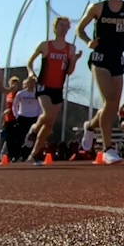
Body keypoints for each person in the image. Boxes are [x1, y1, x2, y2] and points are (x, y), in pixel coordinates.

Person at [76, 0, 124, 164]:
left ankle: (90, 126)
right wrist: (88, 41)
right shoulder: (97, 8)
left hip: (117, 58)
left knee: (112, 106)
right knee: (110, 100)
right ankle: (107, 148)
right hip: (100, 57)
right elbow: (79, 29)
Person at [25, 16, 82, 164]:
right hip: (43, 85)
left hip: (58, 88)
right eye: (61, 25)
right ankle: (34, 129)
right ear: (55, 28)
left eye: (66, 26)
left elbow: (69, 72)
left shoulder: (70, 48)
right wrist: (31, 73)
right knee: (48, 114)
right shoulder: (45, 45)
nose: (64, 28)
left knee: (49, 124)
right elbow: (30, 61)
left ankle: (34, 153)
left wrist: (74, 60)